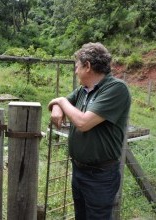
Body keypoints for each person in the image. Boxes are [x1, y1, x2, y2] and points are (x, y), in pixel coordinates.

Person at [48, 42, 131, 219]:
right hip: (79, 170)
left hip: (100, 176)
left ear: (87, 66)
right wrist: (58, 106)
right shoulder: (84, 90)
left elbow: (82, 122)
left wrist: (61, 102)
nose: (75, 71)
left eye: (77, 66)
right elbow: (56, 102)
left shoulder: (116, 89)